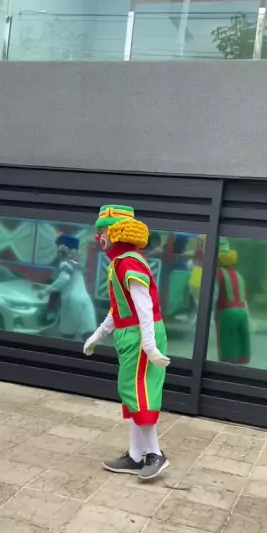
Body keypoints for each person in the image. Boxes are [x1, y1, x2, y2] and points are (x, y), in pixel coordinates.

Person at [84, 205, 170, 481]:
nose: (99, 236)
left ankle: (154, 453)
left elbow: (144, 307)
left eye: (102, 230)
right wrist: (99, 334)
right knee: (132, 392)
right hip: (130, 334)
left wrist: (149, 344)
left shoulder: (129, 262)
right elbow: (119, 307)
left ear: (116, 231)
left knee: (140, 393)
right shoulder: (120, 262)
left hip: (139, 334)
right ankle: (135, 455)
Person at [46, 234, 96, 340]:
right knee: (88, 332)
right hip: (83, 299)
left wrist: (47, 290)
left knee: (68, 333)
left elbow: (63, 279)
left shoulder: (65, 263)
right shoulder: (76, 264)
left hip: (71, 300)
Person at [214, 238, 251, 365]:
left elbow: (214, 294)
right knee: (241, 345)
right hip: (242, 312)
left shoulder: (218, 273)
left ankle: (227, 370)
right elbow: (244, 297)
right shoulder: (238, 275)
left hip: (227, 313)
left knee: (228, 345)